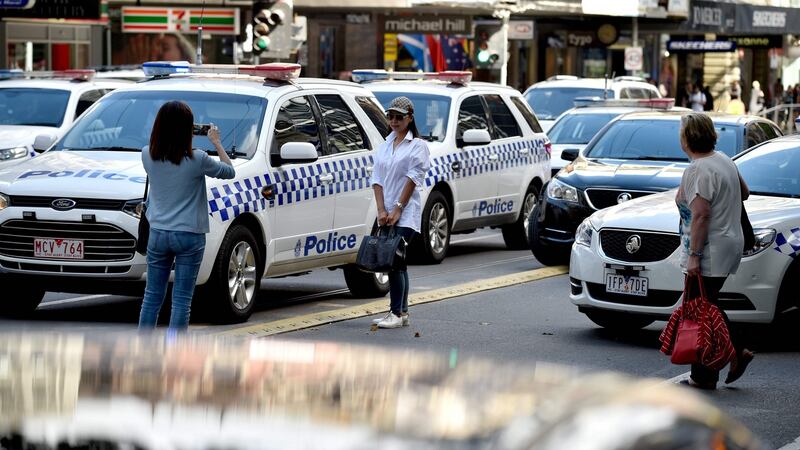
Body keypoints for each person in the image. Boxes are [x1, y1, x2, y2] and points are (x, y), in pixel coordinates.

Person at [138, 101, 235, 331]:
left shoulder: (146, 155)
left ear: (158, 127)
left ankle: (141, 353)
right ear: (187, 129)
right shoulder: (198, 159)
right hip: (189, 235)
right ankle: (175, 354)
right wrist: (216, 142)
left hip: (158, 233)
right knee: (181, 300)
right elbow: (229, 171)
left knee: (151, 297)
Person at [675, 113, 754, 389]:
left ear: (687, 138)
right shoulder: (722, 160)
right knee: (710, 305)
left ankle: (704, 376)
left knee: (700, 311)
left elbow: (701, 215)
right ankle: (737, 352)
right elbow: (744, 192)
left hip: (709, 249)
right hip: (729, 243)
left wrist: (695, 256)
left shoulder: (698, 169)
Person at [369, 96, 430, 329]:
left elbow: (413, 178)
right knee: (398, 263)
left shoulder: (418, 146)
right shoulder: (385, 144)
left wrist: (397, 209)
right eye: (390, 116)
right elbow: (377, 179)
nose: (394, 121)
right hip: (386, 211)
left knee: (394, 261)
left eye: (399, 117)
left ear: (410, 118)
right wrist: (381, 209)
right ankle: (402, 313)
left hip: (406, 212)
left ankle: (396, 312)